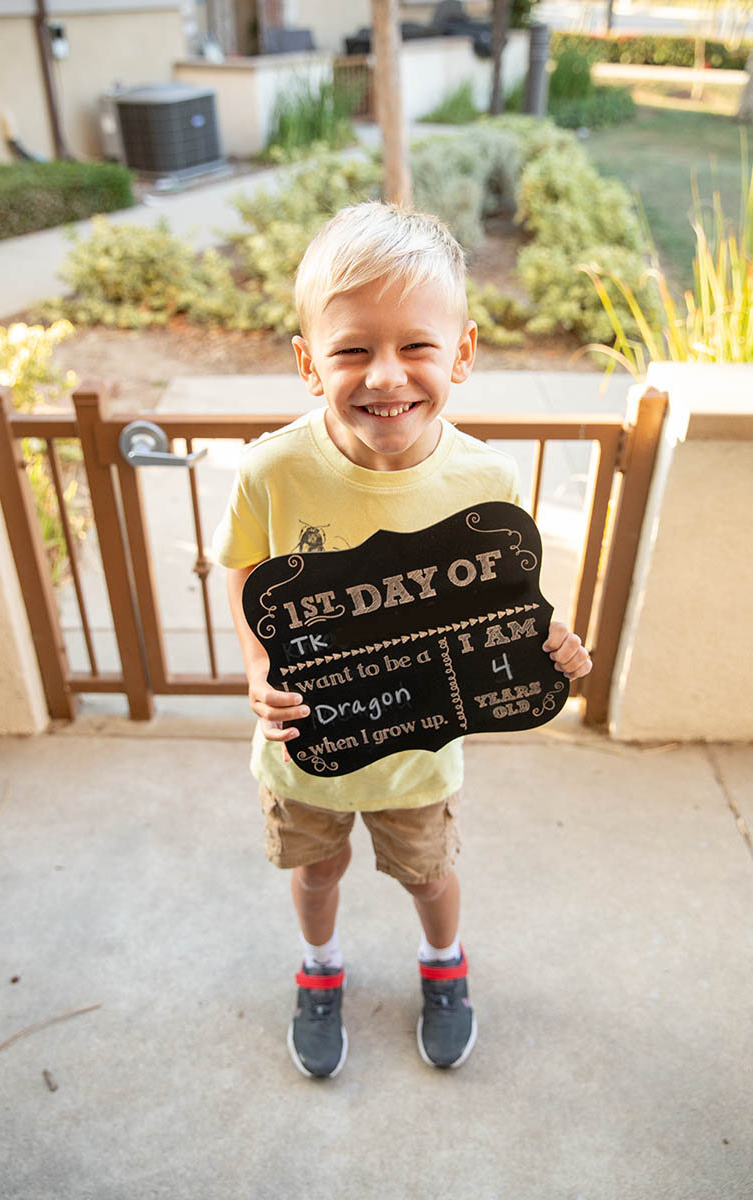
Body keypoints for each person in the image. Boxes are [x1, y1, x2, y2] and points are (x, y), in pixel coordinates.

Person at [213, 201, 592, 1079]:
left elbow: (503, 608)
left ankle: (444, 965)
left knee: (428, 874)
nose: (386, 376)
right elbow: (242, 570)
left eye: (416, 345)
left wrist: (552, 645)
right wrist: (258, 664)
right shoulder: (272, 471)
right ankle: (319, 968)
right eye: (352, 349)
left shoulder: (487, 483)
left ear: (461, 352)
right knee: (315, 871)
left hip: (421, 756)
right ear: (310, 363)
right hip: (307, 746)